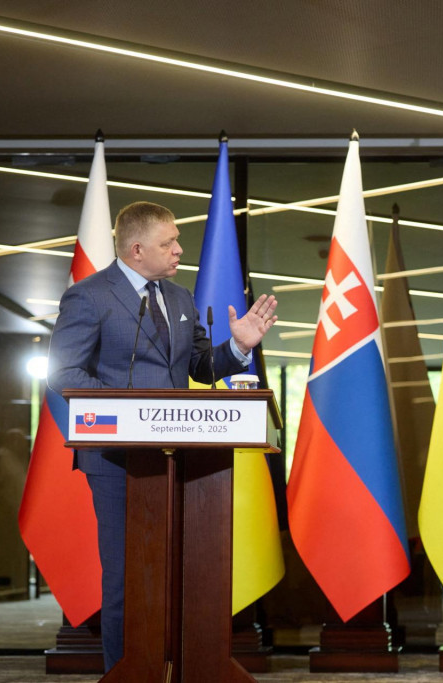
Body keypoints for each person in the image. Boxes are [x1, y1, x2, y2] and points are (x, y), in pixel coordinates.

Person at [47, 201, 278, 672]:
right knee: (129, 582)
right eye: (168, 242)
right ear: (136, 249)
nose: (178, 250)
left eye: (177, 240)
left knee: (182, 576)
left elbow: (199, 368)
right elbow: (64, 374)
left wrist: (238, 346)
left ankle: (183, 669)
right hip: (115, 460)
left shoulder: (179, 298)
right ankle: (126, 674)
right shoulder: (89, 297)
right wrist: (128, 413)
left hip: (181, 456)